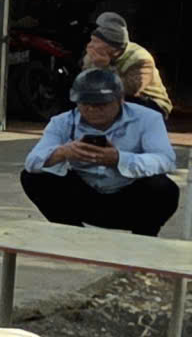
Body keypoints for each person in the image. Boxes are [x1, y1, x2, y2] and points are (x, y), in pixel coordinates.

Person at [21, 65, 182, 236]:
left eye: (101, 105)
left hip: (129, 198)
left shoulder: (147, 118)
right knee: (33, 178)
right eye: (85, 104)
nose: (92, 110)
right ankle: (74, 234)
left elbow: (166, 160)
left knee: (164, 189)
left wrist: (120, 159)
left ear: (120, 100)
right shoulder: (62, 122)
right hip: (85, 196)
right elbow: (32, 162)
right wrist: (63, 152)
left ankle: (143, 237)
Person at [83, 10, 173, 117]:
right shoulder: (92, 56)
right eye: (92, 40)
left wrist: (104, 68)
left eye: (96, 42)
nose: (91, 46)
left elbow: (129, 89)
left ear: (112, 47)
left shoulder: (140, 58)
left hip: (148, 102)